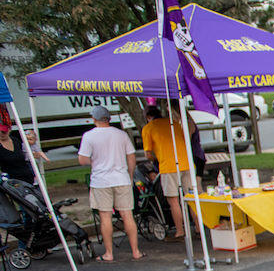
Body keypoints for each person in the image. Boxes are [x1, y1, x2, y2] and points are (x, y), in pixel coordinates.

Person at [78, 106, 142, 262]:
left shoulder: (89, 136)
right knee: (127, 214)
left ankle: (109, 253)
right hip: (121, 178)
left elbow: (83, 159)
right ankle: (136, 251)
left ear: (94, 119)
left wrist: (94, 161)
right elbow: (131, 158)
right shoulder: (121, 135)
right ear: (109, 119)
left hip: (101, 180)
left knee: (105, 216)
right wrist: (130, 174)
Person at [140, 104, 197, 242]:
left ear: (148, 117)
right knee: (191, 198)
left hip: (168, 166)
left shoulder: (148, 128)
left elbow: (148, 155)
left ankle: (180, 231)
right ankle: (198, 228)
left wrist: (157, 157)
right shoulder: (173, 123)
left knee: (174, 201)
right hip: (187, 163)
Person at [0, 114, 36, 183]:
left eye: (4, 131)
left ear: (9, 130)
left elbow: (25, 155)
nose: (2, 134)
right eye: (1, 131)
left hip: (27, 177)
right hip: (11, 181)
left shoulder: (16, 140)